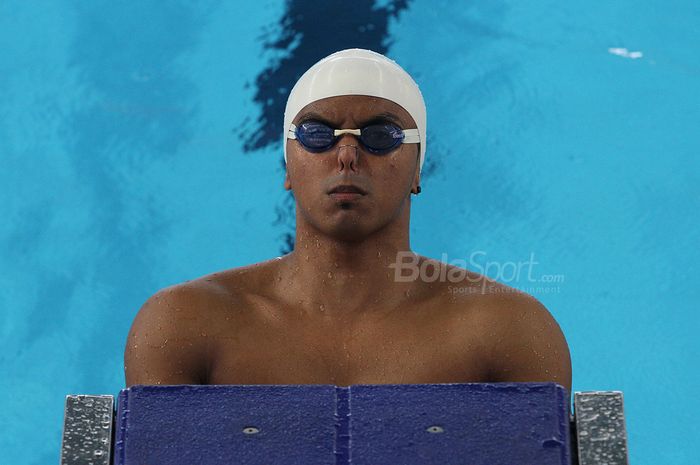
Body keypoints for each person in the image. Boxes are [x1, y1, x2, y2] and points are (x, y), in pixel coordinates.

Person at [124, 49, 572, 404]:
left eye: (381, 136)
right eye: (317, 134)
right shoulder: (187, 323)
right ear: (287, 163)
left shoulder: (505, 329)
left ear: (418, 169)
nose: (347, 156)